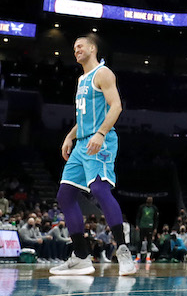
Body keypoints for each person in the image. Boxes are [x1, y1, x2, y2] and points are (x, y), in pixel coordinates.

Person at [50, 33, 136, 276]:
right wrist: (70, 135)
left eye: (80, 46)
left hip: (102, 141)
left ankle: (123, 250)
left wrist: (100, 134)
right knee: (65, 196)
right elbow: (84, 118)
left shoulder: (103, 73)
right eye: (74, 47)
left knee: (99, 189)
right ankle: (80, 257)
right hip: (82, 144)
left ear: (92, 48)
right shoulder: (81, 80)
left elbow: (116, 106)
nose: (76, 50)